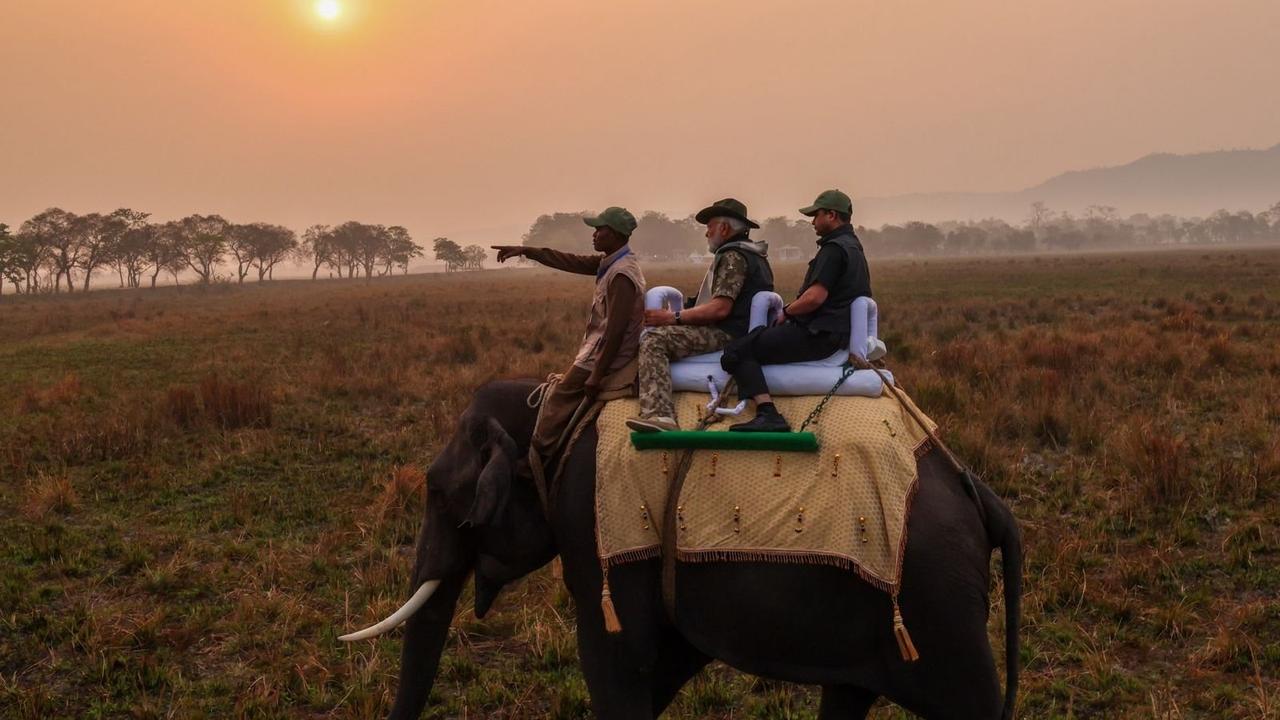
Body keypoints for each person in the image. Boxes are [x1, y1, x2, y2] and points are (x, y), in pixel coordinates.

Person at [491, 206, 646, 463]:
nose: (594, 234)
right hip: (598, 349)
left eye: (600, 229)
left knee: (560, 397)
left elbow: (615, 331)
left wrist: (596, 374)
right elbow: (569, 260)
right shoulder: (610, 263)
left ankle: (540, 457)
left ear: (617, 234)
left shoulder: (621, 274)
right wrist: (526, 250)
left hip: (607, 354)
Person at [720, 189, 872, 432]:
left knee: (737, 350)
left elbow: (815, 297)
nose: (812, 222)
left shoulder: (833, 249)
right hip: (835, 333)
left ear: (831, 215)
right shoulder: (853, 246)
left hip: (818, 334)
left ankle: (767, 413)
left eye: (816, 215)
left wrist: (788, 312)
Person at [627, 198, 774, 433]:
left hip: (728, 332)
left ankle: (660, 415)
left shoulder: (733, 256)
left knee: (654, 339)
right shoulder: (755, 255)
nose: (707, 234)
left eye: (710, 227)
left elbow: (720, 309)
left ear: (724, 228)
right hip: (744, 330)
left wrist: (671, 318)